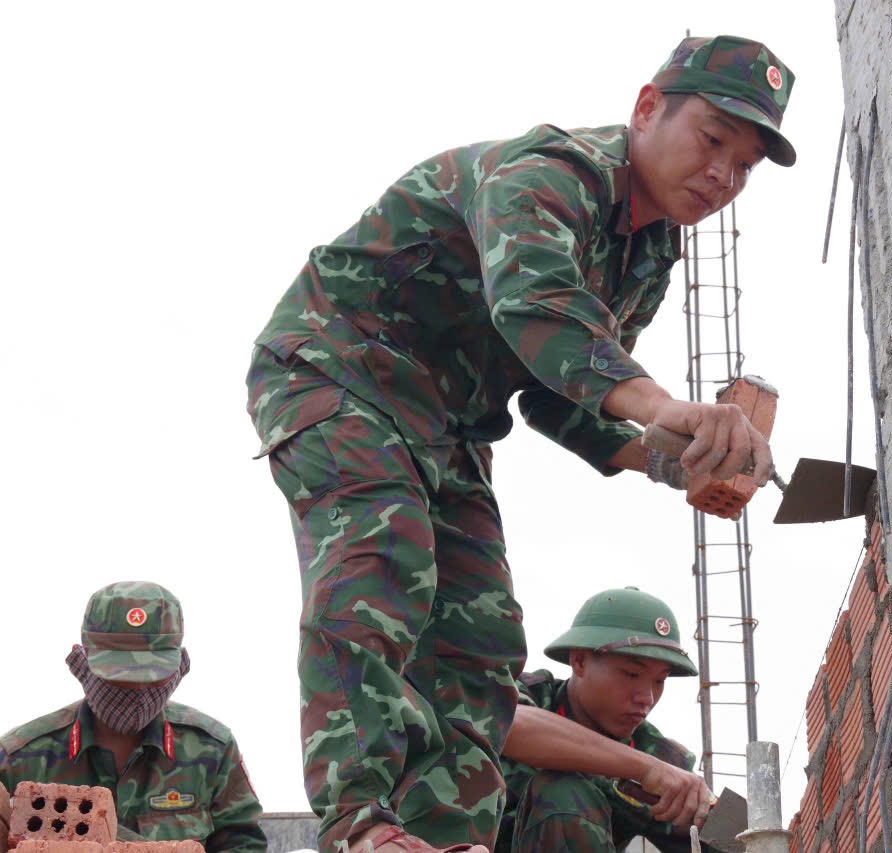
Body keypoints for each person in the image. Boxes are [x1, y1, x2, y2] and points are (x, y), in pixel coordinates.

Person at [245, 34, 796, 853]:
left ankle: (449, 835)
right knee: (382, 555)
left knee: (483, 633)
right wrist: (662, 406)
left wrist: (664, 459)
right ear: (647, 108)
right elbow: (537, 309)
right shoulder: (549, 174)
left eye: (745, 165)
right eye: (714, 140)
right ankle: (360, 823)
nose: (723, 175)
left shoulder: (647, 250)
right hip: (341, 370)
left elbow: (558, 392)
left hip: (448, 422)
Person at [0, 582, 266, 853]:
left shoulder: (212, 751)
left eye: (153, 677)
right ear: (82, 662)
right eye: (119, 677)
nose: (138, 690)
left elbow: (244, 845)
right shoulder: (19, 759)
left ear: (180, 666)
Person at [497, 588, 706, 852]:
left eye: (660, 681)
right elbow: (508, 724)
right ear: (580, 661)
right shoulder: (530, 697)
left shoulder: (663, 758)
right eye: (631, 674)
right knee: (565, 795)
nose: (647, 698)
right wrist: (645, 769)